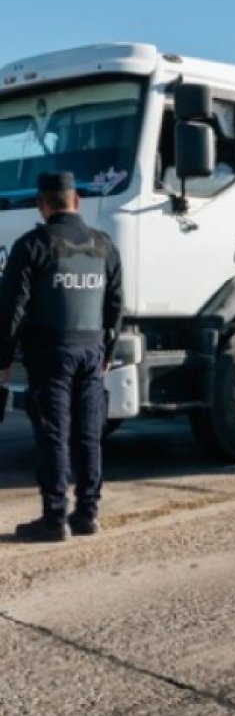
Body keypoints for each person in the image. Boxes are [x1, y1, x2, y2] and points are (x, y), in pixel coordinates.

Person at [0, 171, 123, 541]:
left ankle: (54, 519)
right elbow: (115, 302)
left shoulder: (31, 245)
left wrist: (3, 358)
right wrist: (108, 351)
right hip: (91, 350)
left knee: (53, 434)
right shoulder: (103, 244)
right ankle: (87, 513)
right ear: (76, 201)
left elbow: (12, 308)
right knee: (88, 434)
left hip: (50, 353)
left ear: (42, 204)